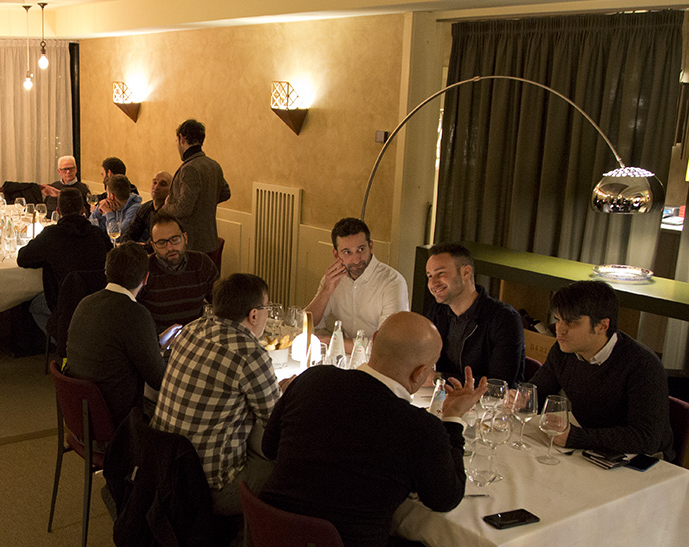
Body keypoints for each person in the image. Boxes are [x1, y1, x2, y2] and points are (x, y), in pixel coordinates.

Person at [260, 312, 485, 547]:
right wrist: (452, 420)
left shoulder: (312, 379)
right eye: (431, 368)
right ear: (419, 374)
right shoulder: (420, 429)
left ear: (375, 340)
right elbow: (446, 499)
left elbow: (269, 448)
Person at [153, 273, 287, 520]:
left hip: (164, 470)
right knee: (284, 468)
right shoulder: (249, 353)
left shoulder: (192, 329)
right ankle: (255, 538)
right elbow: (276, 426)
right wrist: (289, 394)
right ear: (254, 315)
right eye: (266, 308)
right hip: (210, 489)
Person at [531, 280, 674, 458]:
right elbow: (538, 394)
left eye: (572, 322)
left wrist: (577, 437)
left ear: (602, 325)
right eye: (558, 320)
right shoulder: (564, 351)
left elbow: (646, 438)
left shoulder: (642, 365)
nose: (560, 330)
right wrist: (520, 401)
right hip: (591, 448)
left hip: (640, 461)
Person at [65, 243, 167, 425]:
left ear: (107, 272)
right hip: (116, 419)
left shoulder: (86, 303)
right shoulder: (135, 313)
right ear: (146, 278)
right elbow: (158, 379)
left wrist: (154, 341)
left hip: (79, 411)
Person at [424, 243, 525, 385]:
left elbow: (498, 383)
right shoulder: (438, 311)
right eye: (430, 276)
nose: (433, 283)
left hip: (487, 400)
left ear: (466, 272)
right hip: (445, 395)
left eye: (441, 273)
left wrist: (439, 379)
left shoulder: (504, 318)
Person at [17, 188, 113, 334]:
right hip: (98, 301)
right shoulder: (97, 233)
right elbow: (111, 254)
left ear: (58, 211)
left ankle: (63, 341)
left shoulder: (51, 235)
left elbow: (22, 259)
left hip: (64, 304)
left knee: (34, 306)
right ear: (83, 210)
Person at [304, 217, 408, 345]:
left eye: (361, 249)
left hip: (381, 356)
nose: (356, 259)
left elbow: (386, 343)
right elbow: (307, 324)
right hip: (345, 353)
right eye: (347, 252)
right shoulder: (333, 278)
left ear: (371, 246)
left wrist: (332, 342)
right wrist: (325, 291)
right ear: (336, 254)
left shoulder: (392, 282)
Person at [138, 211, 218, 332]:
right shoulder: (144, 270)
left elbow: (219, 304)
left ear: (185, 238)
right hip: (158, 339)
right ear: (153, 246)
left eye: (175, 239)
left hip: (195, 336)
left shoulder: (202, 263)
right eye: (161, 243)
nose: (170, 247)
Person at [163, 118, 230, 253]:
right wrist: (205, 202)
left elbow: (183, 209)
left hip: (192, 243)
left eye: (176, 141)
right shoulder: (213, 165)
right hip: (210, 240)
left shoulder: (190, 168)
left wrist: (166, 207)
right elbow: (225, 193)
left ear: (182, 138)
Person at [121, 170, 172, 244]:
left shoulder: (171, 212)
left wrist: (142, 247)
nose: (156, 187)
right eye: (154, 182)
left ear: (171, 190)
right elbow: (129, 233)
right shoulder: (144, 208)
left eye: (163, 184)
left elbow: (159, 240)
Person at [89, 174, 141, 239]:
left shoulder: (135, 209)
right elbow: (91, 227)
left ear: (112, 196)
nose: (106, 197)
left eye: (107, 193)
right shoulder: (111, 205)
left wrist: (108, 213)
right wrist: (99, 208)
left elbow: (118, 237)